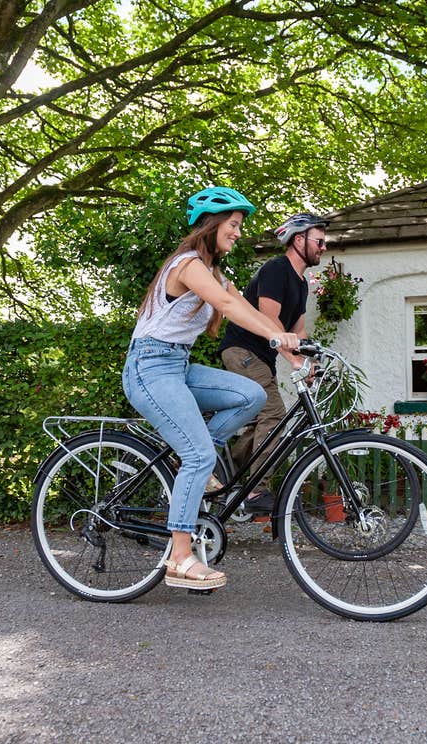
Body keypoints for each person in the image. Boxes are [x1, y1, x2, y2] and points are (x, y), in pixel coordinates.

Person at [123, 186, 301, 591]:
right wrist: (279, 340)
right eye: (234, 225)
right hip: (149, 367)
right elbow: (228, 307)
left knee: (251, 396)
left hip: (177, 365)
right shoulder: (187, 265)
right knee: (201, 454)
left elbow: (251, 312)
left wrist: (295, 353)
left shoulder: (216, 273)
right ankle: (180, 558)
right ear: (212, 224)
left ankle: (188, 463)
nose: (238, 233)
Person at [218, 213, 329, 512]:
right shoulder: (277, 268)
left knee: (263, 421)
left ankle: (223, 469)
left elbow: (298, 329)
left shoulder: (301, 283)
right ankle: (255, 492)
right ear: (299, 240)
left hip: (260, 357)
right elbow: (269, 317)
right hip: (242, 350)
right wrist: (293, 360)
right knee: (275, 412)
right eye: (319, 241)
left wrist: (310, 364)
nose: (323, 247)